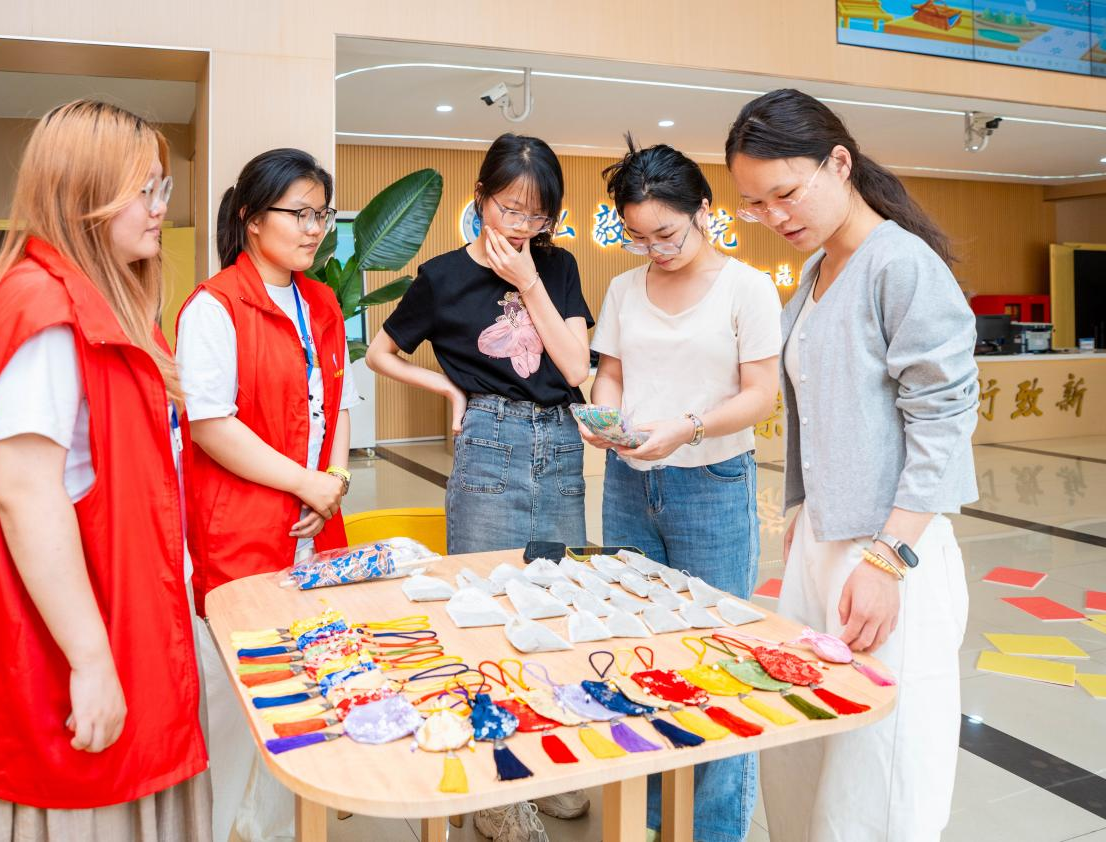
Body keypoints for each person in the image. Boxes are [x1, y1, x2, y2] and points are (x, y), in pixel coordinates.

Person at [0, 99, 209, 841]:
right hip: (76, 626)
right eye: (143, 190)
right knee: (83, 791)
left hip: (120, 596)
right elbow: (26, 493)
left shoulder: (91, 300)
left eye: (162, 189)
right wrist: (92, 660)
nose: (160, 209)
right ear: (85, 193)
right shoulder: (45, 309)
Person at [725, 88, 977, 842]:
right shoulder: (815, 271)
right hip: (824, 539)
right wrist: (804, 519)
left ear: (839, 163)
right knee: (806, 740)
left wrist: (889, 557)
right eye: (754, 204)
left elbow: (943, 418)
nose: (774, 216)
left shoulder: (900, 264)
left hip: (888, 550)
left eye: (785, 193)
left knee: (879, 771)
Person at [366, 132, 593, 841]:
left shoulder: (557, 267)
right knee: (484, 609)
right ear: (481, 199)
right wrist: (446, 387)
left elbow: (576, 367)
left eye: (537, 214)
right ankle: (495, 782)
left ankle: (541, 759)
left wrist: (529, 281)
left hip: (560, 441)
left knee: (554, 605)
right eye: (509, 209)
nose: (522, 227)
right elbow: (380, 351)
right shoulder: (440, 276)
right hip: (490, 438)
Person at [581, 137, 781, 842]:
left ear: (703, 209)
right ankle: (651, 819)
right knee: (639, 649)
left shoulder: (746, 288)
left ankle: (716, 827)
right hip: (628, 482)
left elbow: (759, 394)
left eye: (666, 233)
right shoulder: (623, 289)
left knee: (716, 657)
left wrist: (688, 429)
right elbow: (611, 373)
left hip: (712, 483)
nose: (654, 250)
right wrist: (605, 418)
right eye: (637, 237)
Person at [176, 148, 358, 841]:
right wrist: (307, 481)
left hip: (317, 522)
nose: (314, 229)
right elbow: (211, 424)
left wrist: (333, 482)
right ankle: (223, 826)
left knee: (303, 689)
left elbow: (338, 402)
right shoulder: (214, 306)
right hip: (244, 529)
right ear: (252, 218)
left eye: (322, 215)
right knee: (235, 697)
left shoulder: (322, 301)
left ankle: (278, 828)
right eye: (299, 214)